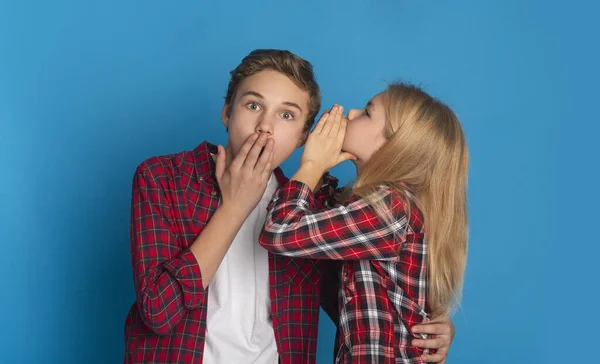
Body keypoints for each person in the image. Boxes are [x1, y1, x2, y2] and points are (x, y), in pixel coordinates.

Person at [125, 49, 455, 363]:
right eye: (253, 105)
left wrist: (430, 326)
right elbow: (158, 311)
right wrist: (235, 207)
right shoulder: (162, 177)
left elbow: (359, 304)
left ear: (303, 137)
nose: (265, 126)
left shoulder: (312, 207)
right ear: (227, 111)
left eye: (286, 115)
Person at [260, 83, 468, 363]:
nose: (353, 111)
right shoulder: (369, 209)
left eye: (367, 112)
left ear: (394, 144)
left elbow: (280, 230)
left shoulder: (392, 207)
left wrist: (311, 165)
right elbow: (315, 251)